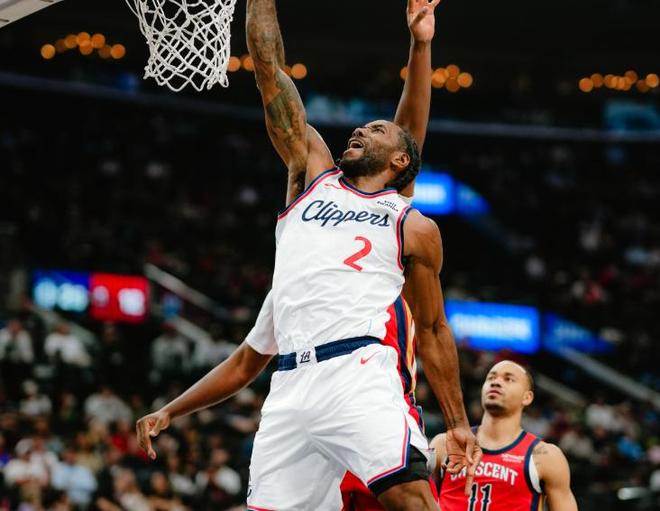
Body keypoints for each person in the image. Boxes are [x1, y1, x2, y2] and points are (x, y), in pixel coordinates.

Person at [137, 1, 481, 509]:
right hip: (290, 385)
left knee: (411, 501)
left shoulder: (408, 221)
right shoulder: (313, 176)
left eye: (376, 130)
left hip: (359, 371)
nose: (360, 130)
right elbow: (269, 71)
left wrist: (457, 423)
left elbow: (432, 329)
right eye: (362, 128)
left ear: (399, 160)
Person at [432, 361, 578, 511]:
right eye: (491, 378)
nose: (496, 382)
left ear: (527, 397)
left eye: (508, 379)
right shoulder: (444, 444)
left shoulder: (545, 456)